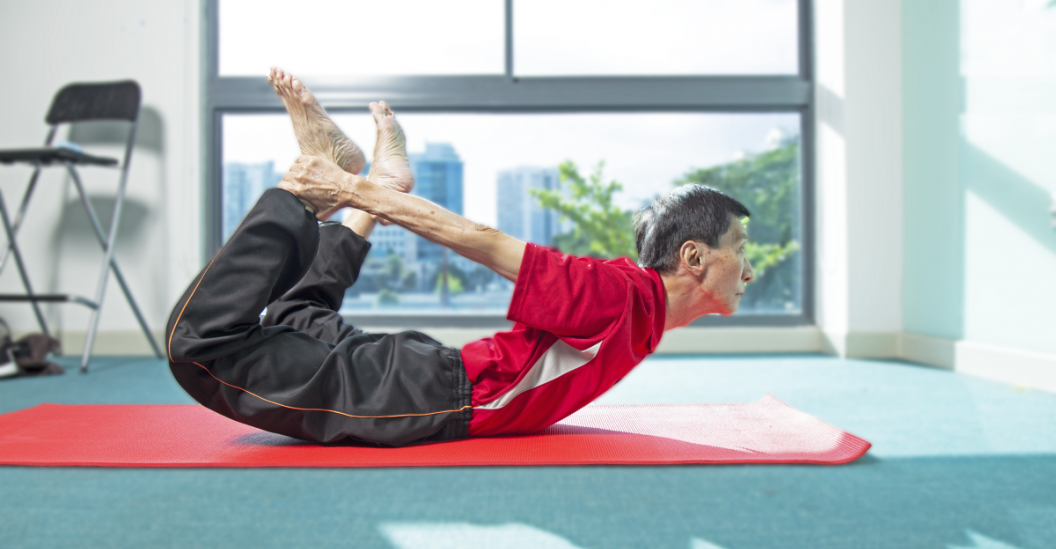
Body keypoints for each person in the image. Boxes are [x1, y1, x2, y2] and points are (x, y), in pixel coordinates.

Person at [166, 69, 754, 447]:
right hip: (428, 394)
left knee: (296, 317)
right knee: (197, 347)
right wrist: (345, 193)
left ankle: (374, 181)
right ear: (693, 256)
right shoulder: (618, 296)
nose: (750, 270)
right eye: (742, 250)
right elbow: (483, 240)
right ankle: (314, 190)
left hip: (427, 378)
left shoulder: (643, 311)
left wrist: (368, 194)